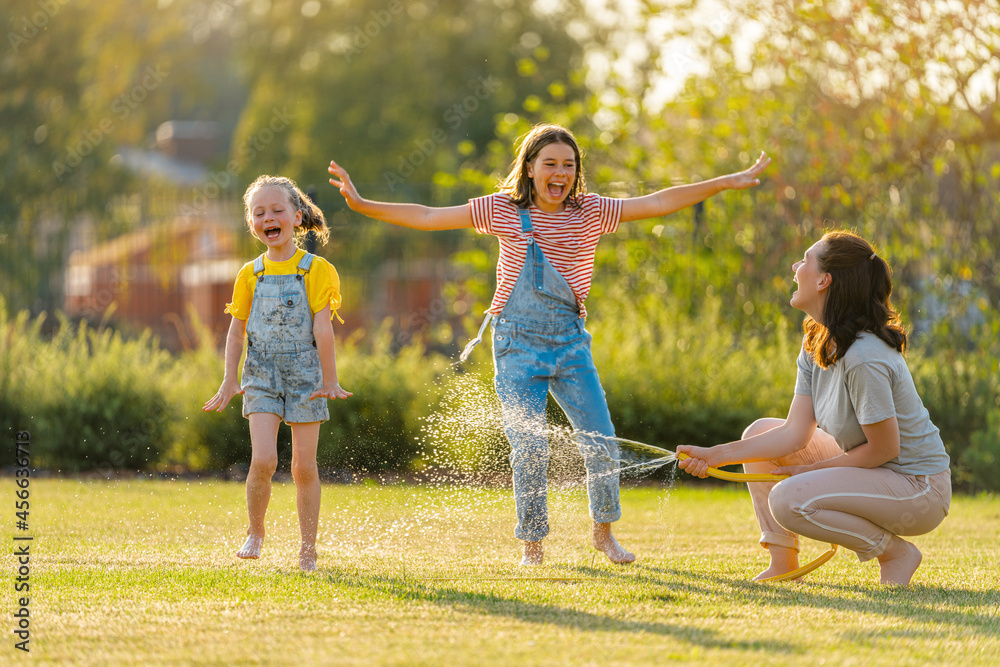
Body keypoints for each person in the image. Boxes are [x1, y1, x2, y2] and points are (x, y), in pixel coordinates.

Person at [328, 123, 770, 566]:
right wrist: (363, 205)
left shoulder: (591, 211)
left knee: (602, 441)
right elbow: (428, 216)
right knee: (529, 448)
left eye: (569, 165)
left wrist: (723, 182)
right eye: (550, 164)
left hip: (571, 345)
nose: (560, 173)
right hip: (516, 345)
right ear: (530, 168)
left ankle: (603, 533)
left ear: (577, 172)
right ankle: (532, 546)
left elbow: (657, 202)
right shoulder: (502, 209)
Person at [678, 230, 951, 585]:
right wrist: (716, 454)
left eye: (805, 260)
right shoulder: (817, 341)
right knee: (759, 434)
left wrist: (810, 472)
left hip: (917, 489)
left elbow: (884, 449)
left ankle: (894, 552)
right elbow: (794, 433)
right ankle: (783, 561)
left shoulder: (864, 357)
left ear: (824, 281)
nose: (795, 267)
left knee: (787, 499)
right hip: (874, 471)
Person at [204, 175, 352, 572]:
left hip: (306, 375)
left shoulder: (317, 270)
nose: (268, 218)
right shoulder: (249, 274)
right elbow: (236, 332)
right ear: (252, 224)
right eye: (259, 213)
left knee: (304, 466)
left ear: (297, 216)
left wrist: (330, 379)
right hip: (261, 374)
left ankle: (308, 549)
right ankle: (255, 531)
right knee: (264, 460)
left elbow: (323, 329)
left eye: (276, 210)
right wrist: (230, 379)